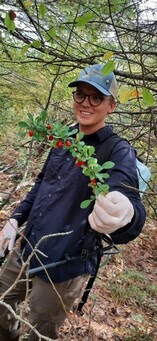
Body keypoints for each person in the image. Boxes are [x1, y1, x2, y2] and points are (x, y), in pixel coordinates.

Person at [0, 64, 146, 340]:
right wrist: (14, 219)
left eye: (96, 97)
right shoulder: (63, 138)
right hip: (28, 246)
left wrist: (127, 213)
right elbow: (42, 184)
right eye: (80, 95)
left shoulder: (117, 150)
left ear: (111, 106)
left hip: (63, 266)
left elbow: (129, 204)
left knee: (40, 332)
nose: (85, 103)